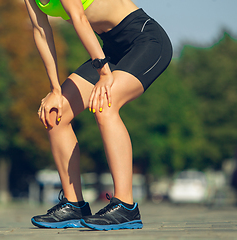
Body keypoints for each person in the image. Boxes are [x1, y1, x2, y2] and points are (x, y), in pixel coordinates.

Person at [24, 0, 172, 231]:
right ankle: (74, 205)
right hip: (109, 49)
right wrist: (55, 90)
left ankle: (126, 206)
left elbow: (79, 18)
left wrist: (104, 72)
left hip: (144, 40)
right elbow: (41, 31)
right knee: (56, 114)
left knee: (105, 105)